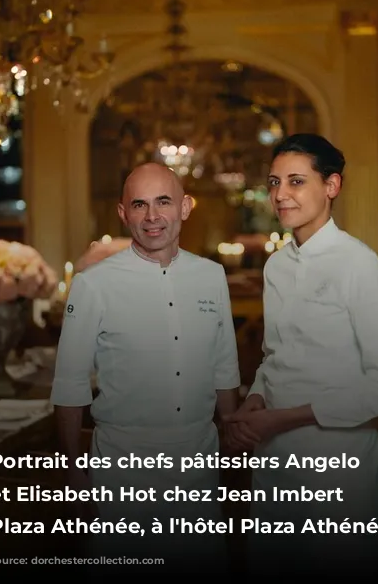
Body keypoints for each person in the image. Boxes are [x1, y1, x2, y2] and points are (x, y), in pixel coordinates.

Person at [224, 134, 378, 578]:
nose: (280, 194)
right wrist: (255, 400)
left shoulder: (358, 266)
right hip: (274, 465)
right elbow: (274, 356)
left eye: (295, 181)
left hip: (339, 468)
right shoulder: (277, 266)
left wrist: (284, 418)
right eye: (274, 182)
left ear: (332, 186)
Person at [50, 162, 241, 574]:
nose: (152, 217)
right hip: (122, 469)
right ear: (123, 214)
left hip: (199, 465)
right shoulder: (91, 285)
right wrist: (72, 475)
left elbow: (224, 365)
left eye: (163, 202)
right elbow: (69, 385)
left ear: (185, 208)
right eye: (139, 205)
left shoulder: (212, 276)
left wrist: (232, 435)